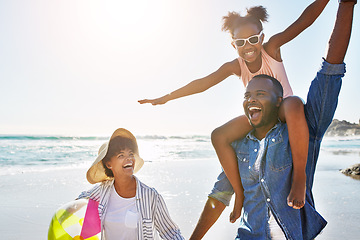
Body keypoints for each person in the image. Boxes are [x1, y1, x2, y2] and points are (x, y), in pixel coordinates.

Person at [139, 0, 330, 221]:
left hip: (283, 110)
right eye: (241, 42)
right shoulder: (235, 66)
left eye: (252, 39)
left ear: (261, 38)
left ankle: (299, 177)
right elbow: (204, 83)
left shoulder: (272, 49)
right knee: (219, 135)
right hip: (260, 117)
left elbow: (303, 22)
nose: (247, 46)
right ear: (233, 45)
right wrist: (168, 97)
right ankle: (239, 194)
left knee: (295, 102)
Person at [189, 1, 356, 239]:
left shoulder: (303, 132)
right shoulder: (241, 146)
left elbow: (331, 68)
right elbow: (219, 195)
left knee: (300, 100)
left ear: (278, 101)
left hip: (293, 232)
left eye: (260, 94)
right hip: (248, 235)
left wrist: (346, 5)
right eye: (247, 94)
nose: (251, 99)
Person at [77, 128, 184, 240]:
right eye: (121, 155)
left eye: (131, 154)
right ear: (109, 164)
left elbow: (171, 233)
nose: (129, 159)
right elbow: (77, 204)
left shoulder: (150, 196)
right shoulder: (101, 192)